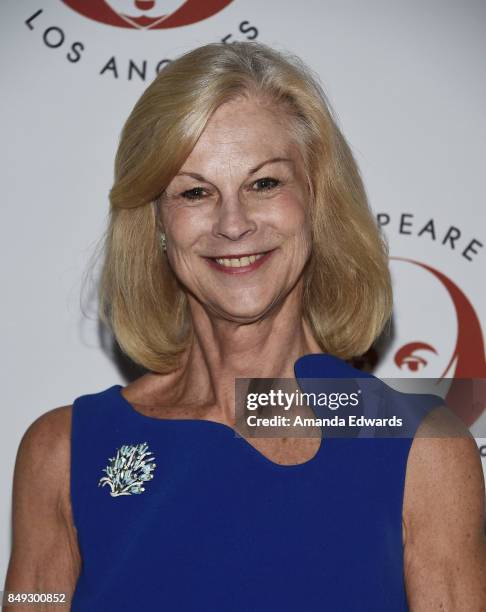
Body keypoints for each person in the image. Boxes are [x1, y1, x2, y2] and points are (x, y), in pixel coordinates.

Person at [4, 41, 486, 611]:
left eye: (264, 183)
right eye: (195, 192)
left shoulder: (420, 447)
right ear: (156, 222)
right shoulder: (62, 451)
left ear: (314, 199)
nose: (233, 224)